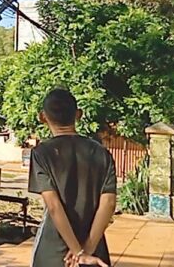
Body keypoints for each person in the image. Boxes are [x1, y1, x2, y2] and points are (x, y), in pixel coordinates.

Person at [28, 89, 115, 267]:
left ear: (42, 117)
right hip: (95, 252)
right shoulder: (101, 153)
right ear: (79, 115)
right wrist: (87, 251)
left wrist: (78, 252)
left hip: (53, 254)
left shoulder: (42, 153)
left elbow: (53, 206)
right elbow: (109, 204)